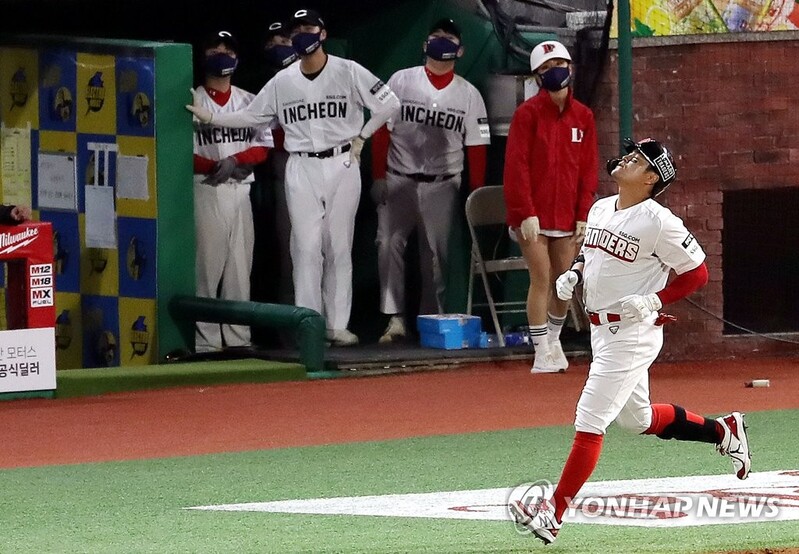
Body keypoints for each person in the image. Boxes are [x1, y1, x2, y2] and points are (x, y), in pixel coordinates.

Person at [507, 138, 751, 544]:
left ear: (652, 177)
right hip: (602, 329)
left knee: (590, 419)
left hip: (632, 332)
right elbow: (590, 252)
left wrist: (656, 298)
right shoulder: (602, 206)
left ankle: (553, 513)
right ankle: (723, 431)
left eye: (637, 160)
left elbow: (698, 273)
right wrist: (577, 273)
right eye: (629, 155)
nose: (625, 160)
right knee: (636, 420)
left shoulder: (659, 221)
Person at [186, 9, 401, 347]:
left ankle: (337, 324)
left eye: (308, 27)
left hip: (343, 159)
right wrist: (212, 117)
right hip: (301, 165)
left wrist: (363, 134)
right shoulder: (283, 81)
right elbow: (251, 116)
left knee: (339, 246)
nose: (302, 33)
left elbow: (390, 103)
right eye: (296, 29)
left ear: (323, 32)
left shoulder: (348, 70)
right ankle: (309, 325)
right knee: (304, 247)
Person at [370, 18, 490, 344]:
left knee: (435, 257)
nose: (441, 42)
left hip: (443, 182)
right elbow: (382, 129)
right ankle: (393, 319)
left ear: (461, 49)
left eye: (449, 38)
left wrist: (475, 193)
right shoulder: (401, 80)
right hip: (399, 177)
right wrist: (378, 175)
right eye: (436, 37)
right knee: (388, 245)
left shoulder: (469, 94)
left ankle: (430, 322)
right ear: (424, 44)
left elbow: (477, 147)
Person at [503, 40, 598, 373]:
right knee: (541, 277)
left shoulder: (584, 117)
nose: (554, 71)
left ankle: (554, 341)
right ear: (537, 77)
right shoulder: (526, 115)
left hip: (568, 216)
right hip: (533, 215)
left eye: (558, 64)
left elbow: (588, 169)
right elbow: (517, 166)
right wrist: (524, 211)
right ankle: (540, 348)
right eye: (545, 68)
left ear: (570, 68)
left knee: (564, 281)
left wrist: (584, 215)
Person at [192, 30, 273, 353]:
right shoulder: (192, 98)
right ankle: (206, 342)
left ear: (238, 58)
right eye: (215, 48)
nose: (222, 53)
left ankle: (238, 339)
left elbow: (264, 144)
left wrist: (237, 159)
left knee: (240, 267)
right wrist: (212, 165)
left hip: (240, 188)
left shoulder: (249, 100)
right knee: (207, 268)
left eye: (228, 49)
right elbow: (179, 150)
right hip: (206, 188)